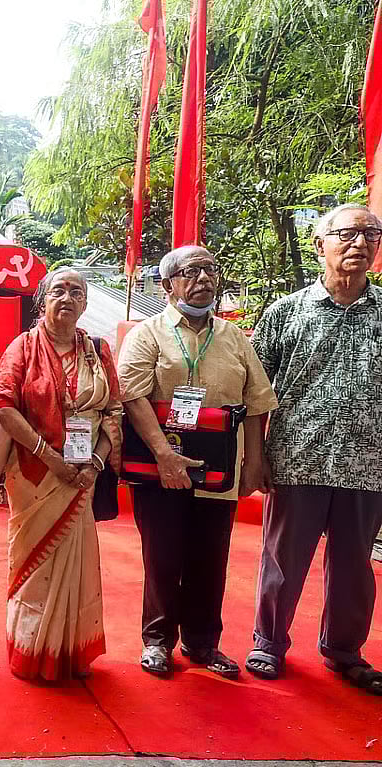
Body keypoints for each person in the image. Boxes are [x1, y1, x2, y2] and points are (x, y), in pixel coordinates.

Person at [118, 245, 277, 678]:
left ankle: (203, 642)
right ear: (167, 284)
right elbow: (132, 396)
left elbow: (256, 402)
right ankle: (157, 641)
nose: (204, 278)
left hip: (219, 465)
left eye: (210, 269)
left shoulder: (234, 337)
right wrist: (164, 455)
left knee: (211, 556)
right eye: (191, 271)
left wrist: (254, 462)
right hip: (160, 463)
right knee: (163, 555)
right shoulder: (147, 334)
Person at [246, 204, 382, 696]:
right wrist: (255, 457)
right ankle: (268, 642)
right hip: (297, 457)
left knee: (354, 566)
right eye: (347, 233)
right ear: (320, 244)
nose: (360, 243)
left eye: (371, 234)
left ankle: (344, 651)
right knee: (283, 560)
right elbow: (255, 393)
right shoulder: (285, 312)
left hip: (368, 463)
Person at [0, 269, 122, 680]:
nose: (67, 298)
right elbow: (2, 402)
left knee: (77, 564)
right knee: (35, 565)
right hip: (35, 475)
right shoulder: (23, 346)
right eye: (58, 291)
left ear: (85, 303)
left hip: (84, 475)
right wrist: (50, 457)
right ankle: (32, 651)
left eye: (76, 292)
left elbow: (113, 410)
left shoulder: (98, 350)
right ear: (42, 300)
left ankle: (69, 651)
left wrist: (95, 463)